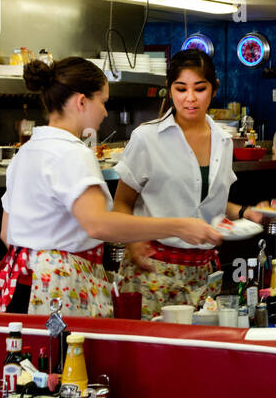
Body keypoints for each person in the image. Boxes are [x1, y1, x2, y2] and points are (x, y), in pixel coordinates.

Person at [0, 58, 222, 316]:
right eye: (102, 101)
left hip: (22, 287)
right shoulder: (73, 153)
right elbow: (99, 224)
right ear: (81, 101)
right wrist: (178, 225)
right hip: (60, 288)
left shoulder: (25, 152)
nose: (104, 111)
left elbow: (6, 232)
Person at [113, 51, 264, 316]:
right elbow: (122, 203)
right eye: (181, 88)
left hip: (204, 271)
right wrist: (133, 243)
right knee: (152, 353)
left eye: (200, 88)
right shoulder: (147, 138)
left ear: (213, 89)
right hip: (153, 268)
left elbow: (204, 200)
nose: (190, 98)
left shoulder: (224, 140)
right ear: (169, 91)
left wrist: (243, 212)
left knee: (197, 353)